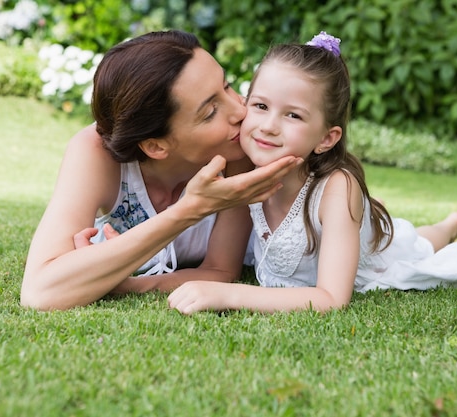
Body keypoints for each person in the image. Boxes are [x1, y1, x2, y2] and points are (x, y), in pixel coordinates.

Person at [167, 32, 457, 314]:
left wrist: (227, 295)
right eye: (260, 106)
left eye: (293, 115)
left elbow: (330, 298)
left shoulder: (337, 188)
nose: (268, 126)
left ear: (327, 138)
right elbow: (221, 263)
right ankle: (380, 217)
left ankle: (450, 224)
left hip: (374, 258)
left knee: (414, 245)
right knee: (393, 230)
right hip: (346, 224)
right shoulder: (242, 171)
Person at [20, 30, 302, 311]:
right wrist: (191, 209)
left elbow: (220, 271)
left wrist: (130, 285)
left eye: (227, 86)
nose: (241, 111)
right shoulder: (95, 152)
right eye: (210, 112)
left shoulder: (238, 148)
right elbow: (40, 292)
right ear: (155, 146)